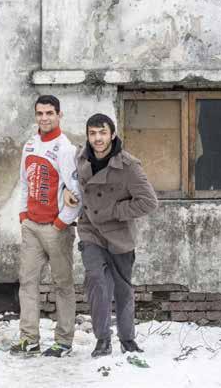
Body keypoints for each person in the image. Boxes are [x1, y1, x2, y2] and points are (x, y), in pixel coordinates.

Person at [74, 113, 158, 357]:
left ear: (112, 134)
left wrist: (114, 211)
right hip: (90, 231)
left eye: (102, 132)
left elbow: (149, 202)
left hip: (119, 234)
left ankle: (127, 338)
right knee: (96, 282)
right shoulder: (81, 158)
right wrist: (72, 197)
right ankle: (102, 339)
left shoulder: (129, 166)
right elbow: (76, 186)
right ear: (88, 136)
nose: (97, 138)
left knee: (122, 290)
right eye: (92, 133)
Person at [12, 95, 83, 358]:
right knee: (27, 283)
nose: (44, 118)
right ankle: (29, 339)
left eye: (50, 113)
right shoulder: (29, 145)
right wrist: (23, 215)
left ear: (59, 115)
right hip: (31, 225)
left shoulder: (65, 149)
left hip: (57, 229)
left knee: (62, 285)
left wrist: (60, 222)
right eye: (40, 113)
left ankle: (63, 341)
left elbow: (76, 193)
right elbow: (24, 182)